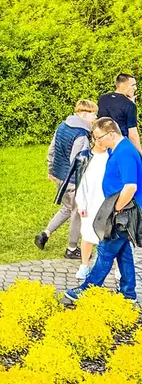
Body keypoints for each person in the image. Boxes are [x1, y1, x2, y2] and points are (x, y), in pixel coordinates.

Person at [65, 117, 142, 303]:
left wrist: (115, 209)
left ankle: (88, 289)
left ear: (111, 133)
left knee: (106, 250)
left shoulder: (125, 153)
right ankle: (128, 293)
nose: (96, 142)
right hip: (121, 208)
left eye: (99, 137)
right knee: (123, 251)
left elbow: (130, 187)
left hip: (124, 210)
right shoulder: (117, 150)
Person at [34, 100, 98, 259]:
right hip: (73, 181)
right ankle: (72, 249)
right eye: (93, 114)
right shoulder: (82, 134)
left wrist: (51, 170)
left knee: (68, 208)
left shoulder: (62, 126)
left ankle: (45, 234)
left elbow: (52, 150)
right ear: (84, 114)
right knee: (77, 213)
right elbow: (77, 161)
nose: (95, 117)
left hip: (59, 177)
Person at [74, 131, 110, 280]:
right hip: (89, 201)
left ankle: (117, 269)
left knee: (109, 236)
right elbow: (80, 182)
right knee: (87, 234)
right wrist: (81, 204)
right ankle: (84, 265)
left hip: (107, 202)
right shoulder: (85, 157)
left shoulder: (112, 156)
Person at [98, 73, 140, 152]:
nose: (135, 88)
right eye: (133, 85)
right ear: (123, 85)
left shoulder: (103, 98)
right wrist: (139, 154)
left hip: (102, 145)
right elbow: (133, 135)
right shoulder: (129, 105)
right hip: (119, 146)